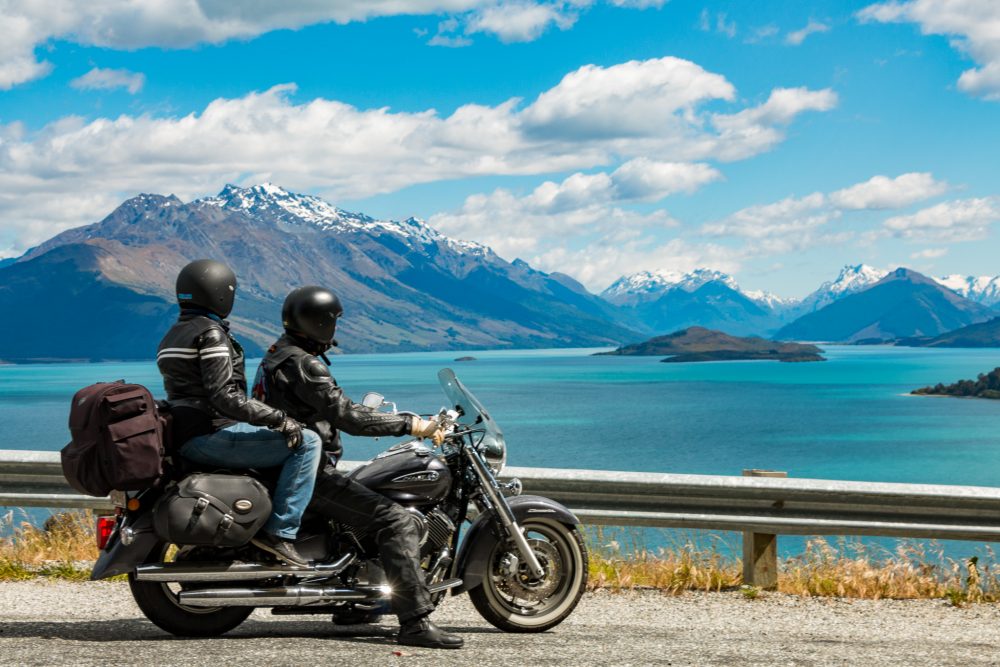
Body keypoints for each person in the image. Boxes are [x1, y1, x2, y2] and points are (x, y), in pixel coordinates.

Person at [252, 285, 463, 650]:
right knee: (395, 521)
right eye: (333, 321)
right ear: (320, 322)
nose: (335, 328)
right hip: (308, 474)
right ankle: (414, 622)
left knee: (363, 514)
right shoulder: (304, 364)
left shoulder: (278, 354)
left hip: (290, 465)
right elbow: (348, 416)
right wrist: (412, 424)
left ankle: (358, 602)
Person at [157, 259, 322, 567]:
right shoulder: (210, 333)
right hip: (210, 432)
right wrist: (279, 419)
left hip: (187, 431)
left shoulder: (172, 334)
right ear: (220, 293)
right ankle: (281, 534)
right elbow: (224, 396)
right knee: (308, 442)